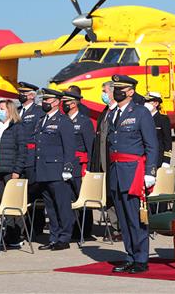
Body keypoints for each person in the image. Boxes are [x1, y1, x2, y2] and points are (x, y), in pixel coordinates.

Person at [107, 75, 158, 274]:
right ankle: (129, 256)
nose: (116, 91)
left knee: (135, 218)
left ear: (130, 91)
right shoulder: (113, 113)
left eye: (120, 88)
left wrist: (150, 172)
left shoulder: (140, 113)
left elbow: (152, 145)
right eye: (115, 88)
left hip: (133, 172)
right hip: (117, 172)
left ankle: (141, 258)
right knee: (123, 219)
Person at [35, 88, 76, 251]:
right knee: (50, 207)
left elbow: (69, 147)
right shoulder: (41, 120)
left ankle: (64, 237)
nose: (45, 102)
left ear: (57, 102)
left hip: (58, 170)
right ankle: (54, 237)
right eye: (44, 99)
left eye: (48, 100)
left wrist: (68, 167)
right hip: (44, 170)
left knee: (62, 206)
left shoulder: (63, 121)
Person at [0, 99, 26, 248]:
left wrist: (17, 170)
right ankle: (9, 234)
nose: (0, 111)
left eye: (3, 108)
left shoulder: (17, 127)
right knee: (6, 205)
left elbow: (22, 150)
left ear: (10, 110)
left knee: (14, 205)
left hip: (11, 171)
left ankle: (17, 235)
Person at [88, 81, 122, 242]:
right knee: (108, 197)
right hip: (102, 162)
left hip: (114, 162)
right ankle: (115, 228)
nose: (102, 94)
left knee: (118, 196)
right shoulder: (105, 112)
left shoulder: (119, 112)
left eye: (105, 91)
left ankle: (122, 228)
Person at [62, 90, 95, 238]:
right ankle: (73, 228)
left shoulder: (84, 121)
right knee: (68, 197)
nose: (65, 105)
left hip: (80, 164)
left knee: (81, 198)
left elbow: (90, 147)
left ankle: (85, 230)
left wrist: (89, 168)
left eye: (67, 102)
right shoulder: (63, 120)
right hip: (65, 163)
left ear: (74, 104)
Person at [16, 82, 45, 236]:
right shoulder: (18, 111)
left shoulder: (38, 111)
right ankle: (21, 228)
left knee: (34, 195)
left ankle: (36, 228)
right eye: (20, 92)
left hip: (31, 159)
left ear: (32, 95)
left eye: (24, 92)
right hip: (19, 159)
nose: (21, 95)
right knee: (21, 195)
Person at [144, 92, 172, 168]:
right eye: (145, 102)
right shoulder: (142, 118)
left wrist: (166, 160)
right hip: (144, 158)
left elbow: (167, 141)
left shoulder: (163, 119)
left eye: (148, 102)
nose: (145, 104)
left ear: (156, 103)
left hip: (158, 158)